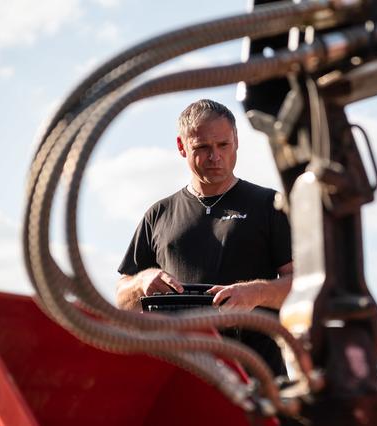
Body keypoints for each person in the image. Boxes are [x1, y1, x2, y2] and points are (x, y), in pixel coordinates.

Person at [115, 99, 293, 376]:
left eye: (223, 145)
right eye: (202, 148)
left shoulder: (270, 205)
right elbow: (122, 299)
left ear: (236, 140)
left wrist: (255, 293)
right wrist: (141, 282)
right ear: (181, 146)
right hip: (179, 376)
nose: (215, 157)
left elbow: (307, 286)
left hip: (257, 378)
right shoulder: (158, 214)